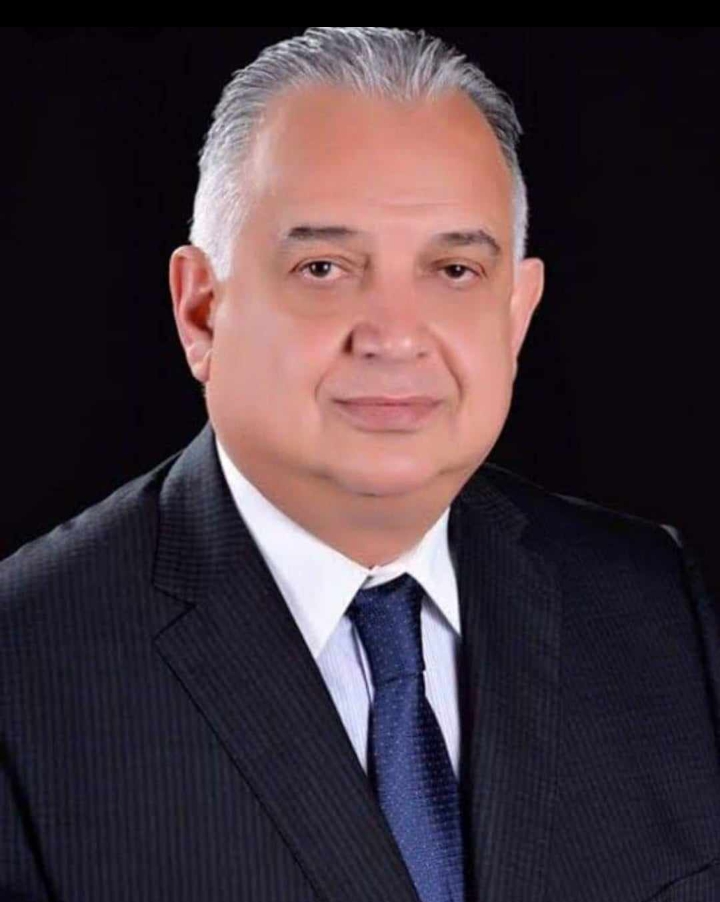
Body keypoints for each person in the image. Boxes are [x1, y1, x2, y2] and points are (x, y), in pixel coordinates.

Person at [2, 26, 719, 902]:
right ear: (202, 312)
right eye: (324, 267)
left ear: (516, 315)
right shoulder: (23, 672)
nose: (394, 336)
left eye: (453, 269)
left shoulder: (654, 606)